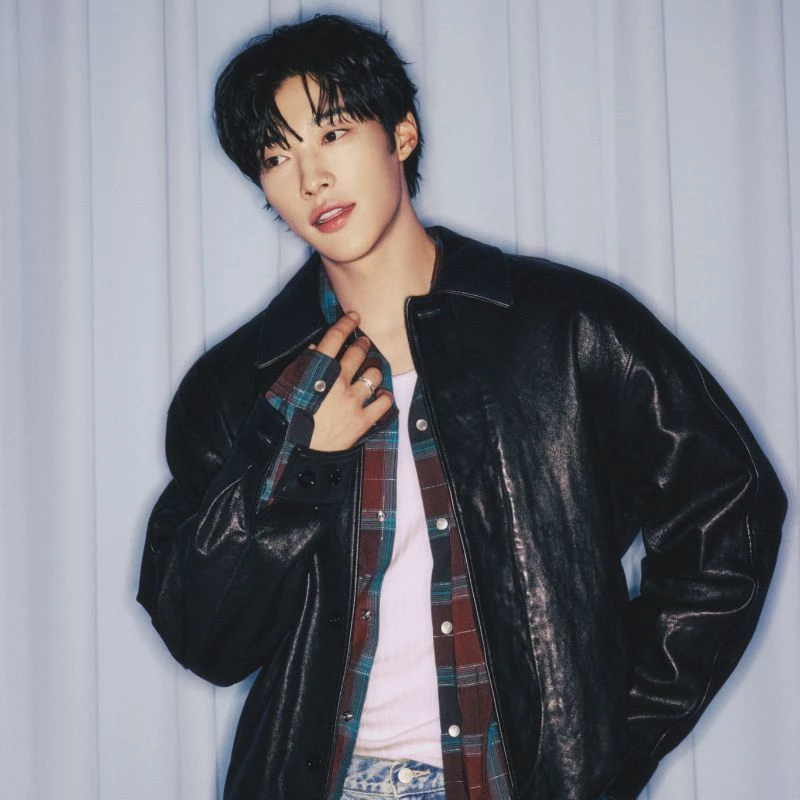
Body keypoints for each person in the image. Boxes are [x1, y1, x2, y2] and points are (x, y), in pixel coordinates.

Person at [137, 14, 786, 800]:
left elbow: (729, 505)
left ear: (401, 133)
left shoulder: (561, 327)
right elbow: (207, 640)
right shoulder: (241, 384)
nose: (311, 179)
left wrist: (617, 735)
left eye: (333, 134)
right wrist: (294, 461)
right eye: (277, 157)